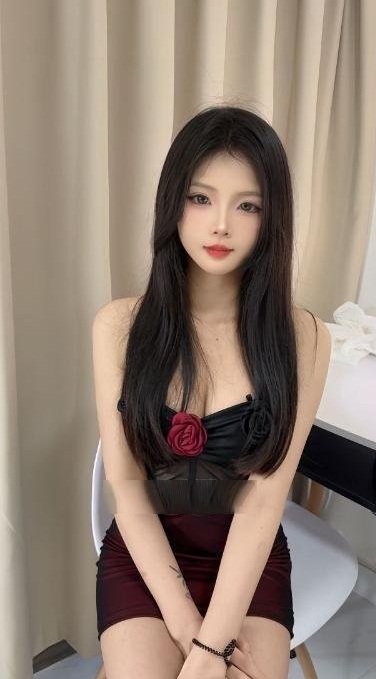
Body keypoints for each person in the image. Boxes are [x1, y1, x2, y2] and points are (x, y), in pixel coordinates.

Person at [92, 104, 332, 679]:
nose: (221, 224)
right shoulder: (119, 326)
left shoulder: (303, 337)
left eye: (248, 205)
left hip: (248, 562)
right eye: (200, 198)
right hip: (148, 555)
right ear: (172, 202)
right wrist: (188, 634)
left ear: (271, 219)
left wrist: (212, 646)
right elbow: (128, 490)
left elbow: (264, 503)